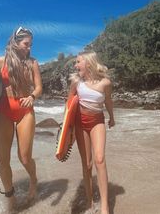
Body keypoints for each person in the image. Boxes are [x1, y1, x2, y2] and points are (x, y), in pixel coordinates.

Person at [0, 27, 42, 211]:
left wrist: (32, 97)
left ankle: (34, 180)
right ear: (15, 42)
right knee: (2, 160)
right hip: (3, 113)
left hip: (25, 112)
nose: (29, 48)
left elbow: (38, 87)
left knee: (24, 157)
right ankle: (11, 198)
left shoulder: (32, 63)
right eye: (26, 44)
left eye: (31, 45)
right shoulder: (0, 62)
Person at [68, 51, 115, 214]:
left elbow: (108, 101)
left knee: (100, 159)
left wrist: (112, 118)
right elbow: (69, 106)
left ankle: (104, 207)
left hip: (97, 122)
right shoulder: (76, 82)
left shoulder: (105, 83)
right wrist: (68, 130)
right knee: (87, 164)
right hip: (80, 124)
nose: (75, 65)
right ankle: (89, 202)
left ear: (88, 63)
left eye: (78, 62)